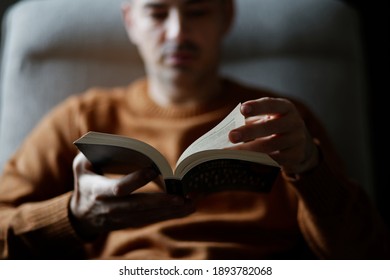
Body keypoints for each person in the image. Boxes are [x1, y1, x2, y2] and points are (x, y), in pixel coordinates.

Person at [0, 0, 389, 260]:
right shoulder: (80, 117)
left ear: (227, 17)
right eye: (156, 13)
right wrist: (74, 215)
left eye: (198, 11)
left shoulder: (280, 120)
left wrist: (309, 165)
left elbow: (365, 255)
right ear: (130, 21)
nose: (178, 33)